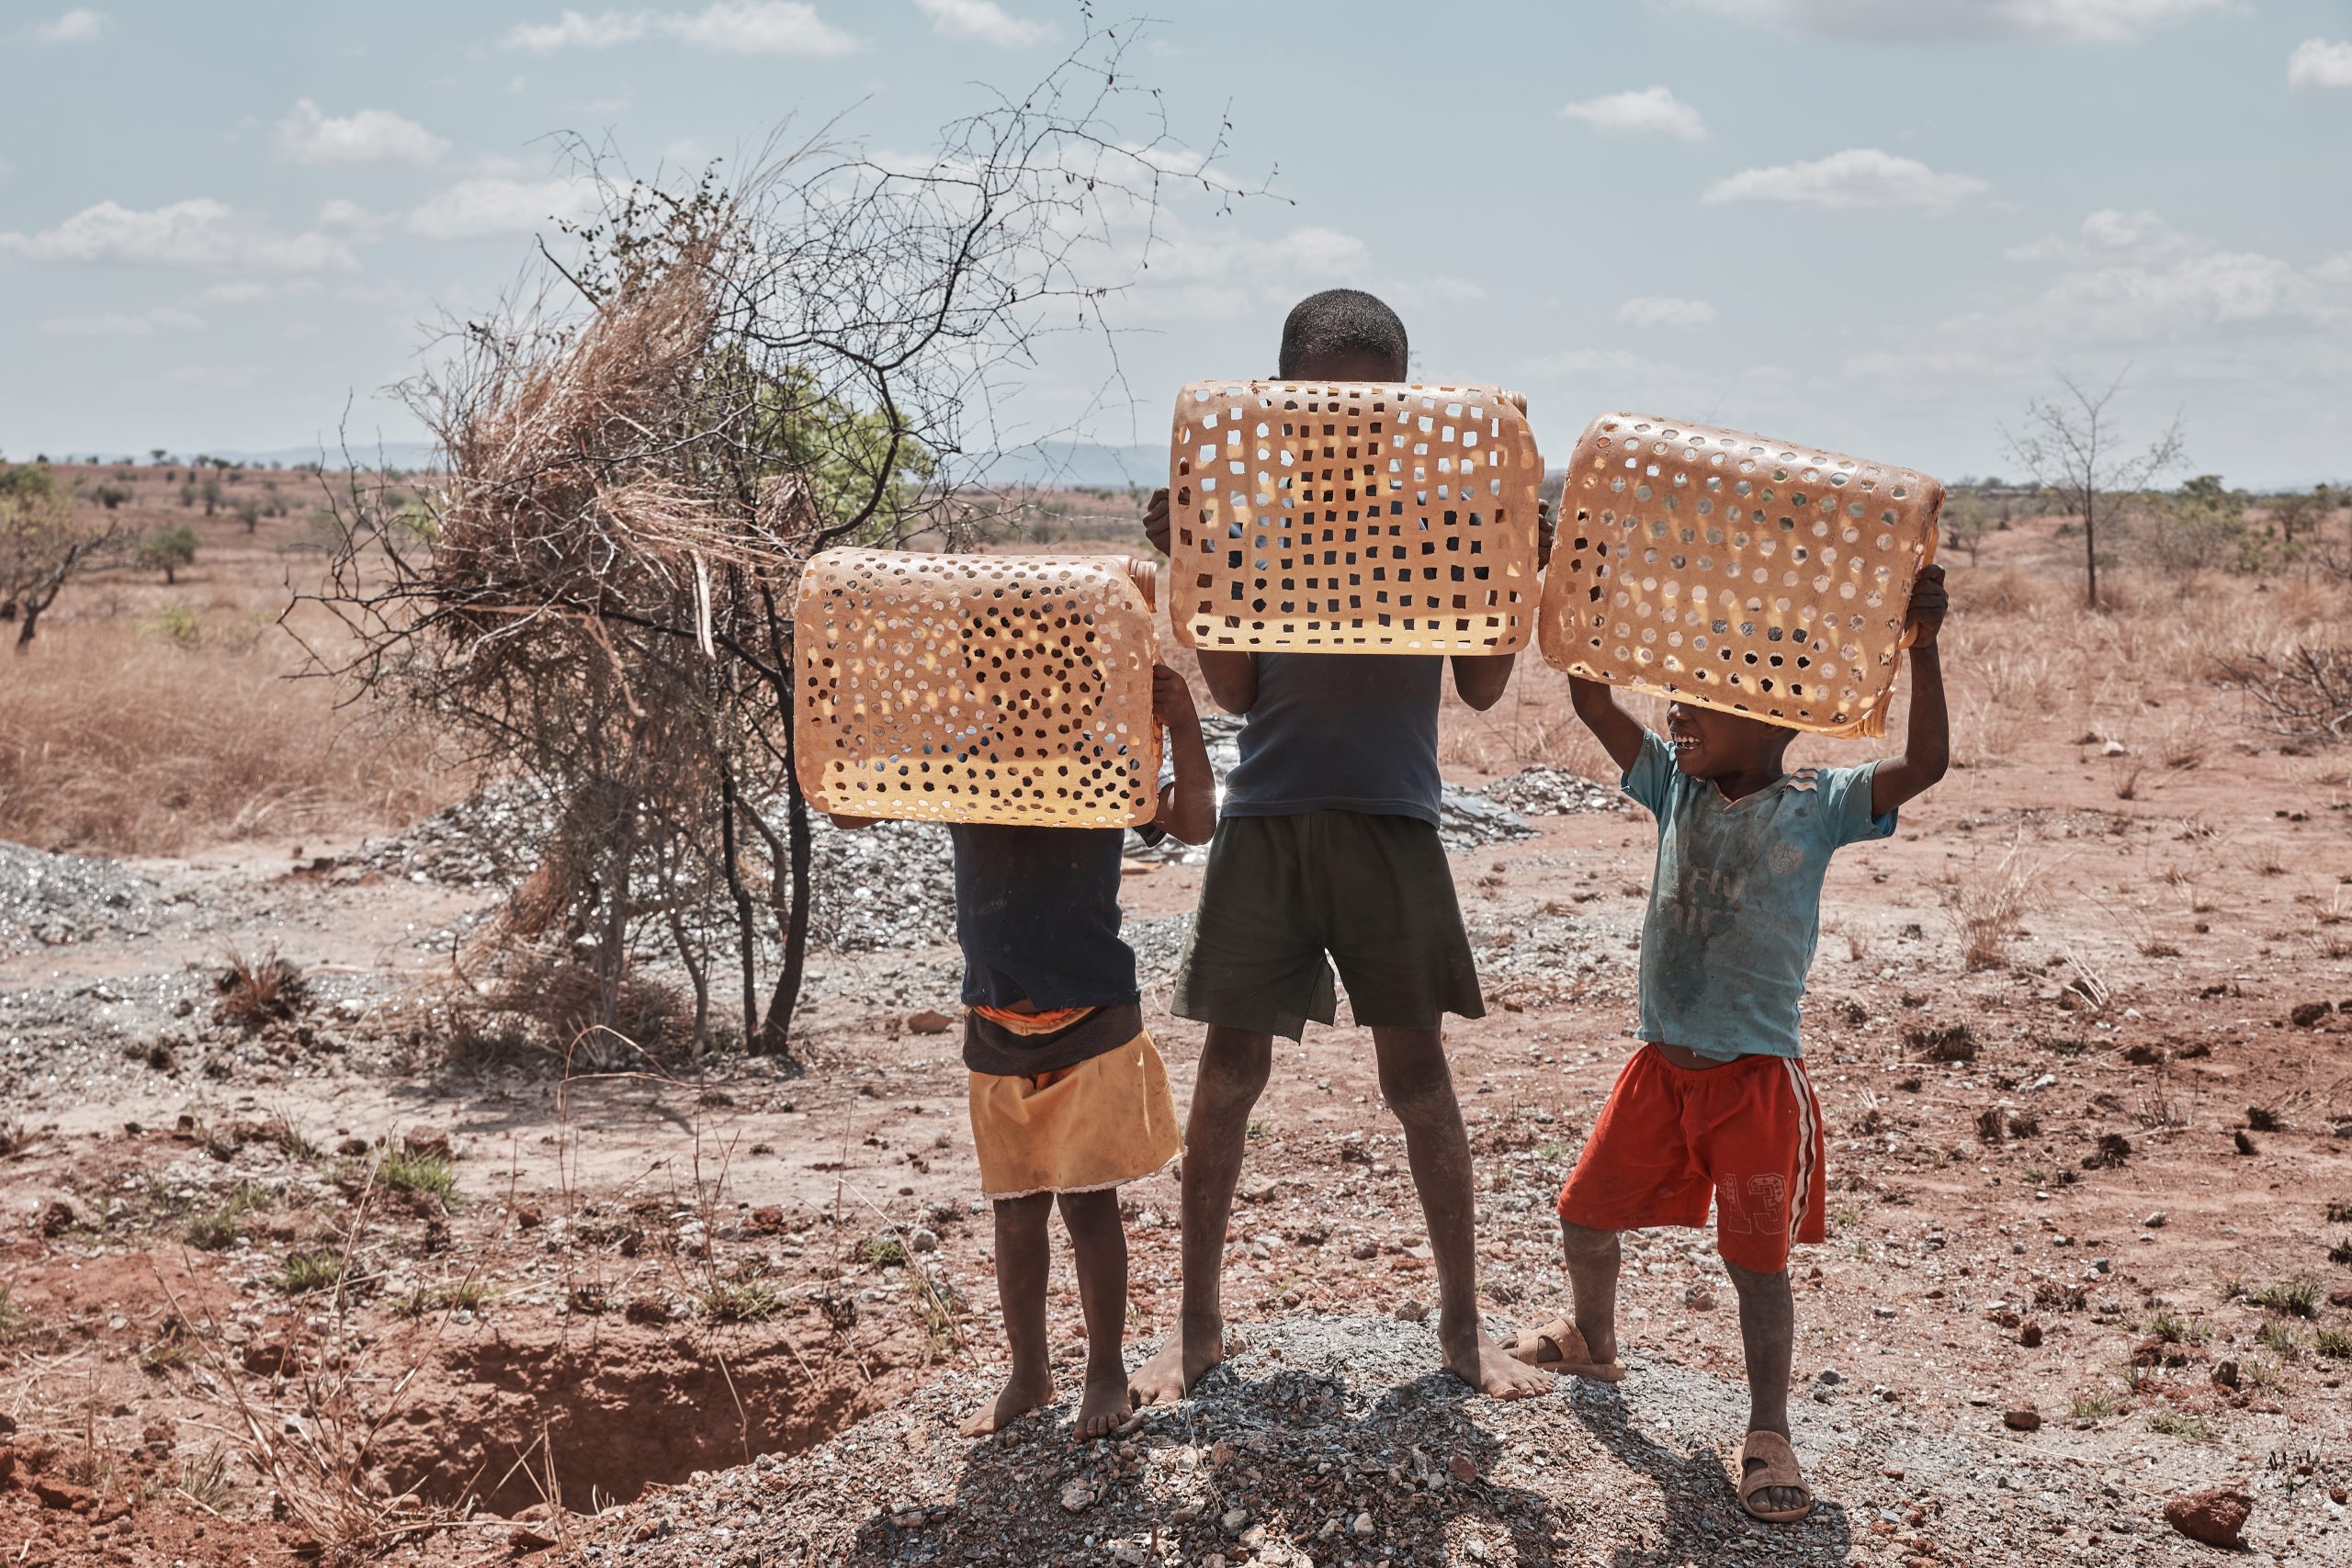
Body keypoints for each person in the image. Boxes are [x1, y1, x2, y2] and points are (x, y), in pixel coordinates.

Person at [1128, 288, 1551, 1407]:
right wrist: (1190, 568)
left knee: (1418, 1081)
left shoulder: (1441, 527)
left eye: (1375, 408)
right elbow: (1232, 688)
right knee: (1227, 1079)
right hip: (1268, 822)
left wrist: (1515, 574)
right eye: (1329, 406)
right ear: (1283, 407)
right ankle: (1197, 1326)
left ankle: (1464, 1330)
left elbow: (1481, 682)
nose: (1350, 428)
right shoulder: (1253, 534)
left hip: (1391, 824)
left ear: (1405, 408)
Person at [1512, 561, 1951, 1522]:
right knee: (1585, 1215)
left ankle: (1767, 1432)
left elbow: (1923, 766)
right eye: (1678, 697)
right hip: (1659, 1066)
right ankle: (1592, 1338)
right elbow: (1590, 695)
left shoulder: (1822, 806)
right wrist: (1575, 578)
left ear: (1774, 717)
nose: (1677, 714)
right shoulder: (1673, 788)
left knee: (1755, 1265)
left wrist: (1923, 650)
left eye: (1703, 702)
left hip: (1753, 1082)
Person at [834, 664, 1216, 1439]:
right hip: (997, 1016)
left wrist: (1180, 721)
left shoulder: (1099, 758)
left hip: (1092, 1013)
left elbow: (1198, 823)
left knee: (1086, 1202)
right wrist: (864, 711)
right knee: (1015, 1213)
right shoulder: (962, 760)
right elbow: (848, 814)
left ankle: (1104, 1370)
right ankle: (1029, 1372)